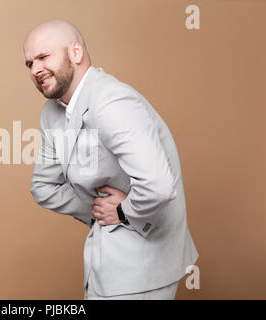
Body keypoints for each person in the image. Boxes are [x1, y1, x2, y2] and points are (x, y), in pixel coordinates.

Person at [24, 20, 199, 300]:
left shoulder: (112, 101)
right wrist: (102, 208)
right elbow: (43, 187)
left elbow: (158, 186)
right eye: (29, 63)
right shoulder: (51, 113)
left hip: (145, 264)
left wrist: (123, 212)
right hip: (102, 261)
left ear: (76, 52)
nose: (35, 70)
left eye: (43, 57)